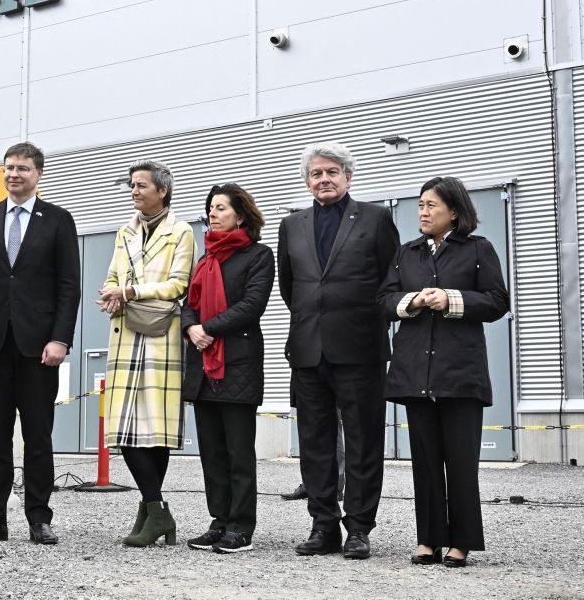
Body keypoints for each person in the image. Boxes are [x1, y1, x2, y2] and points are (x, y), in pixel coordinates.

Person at [378, 177, 508, 568]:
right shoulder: (406, 253)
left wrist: (451, 298)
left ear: (454, 210)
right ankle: (428, 540)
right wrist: (413, 300)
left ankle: (461, 542)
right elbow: (383, 301)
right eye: (420, 204)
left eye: (431, 205)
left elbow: (497, 301)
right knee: (426, 461)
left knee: (461, 462)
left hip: (460, 373)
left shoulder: (478, 250)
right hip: (416, 372)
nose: (423, 211)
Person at [277, 141, 399, 560]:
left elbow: (390, 281)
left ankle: (359, 528)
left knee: (364, 442)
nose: (323, 179)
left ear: (348, 176)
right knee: (315, 443)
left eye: (331, 172)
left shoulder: (376, 218)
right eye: (316, 173)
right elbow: (290, 287)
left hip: (360, 348)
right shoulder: (292, 225)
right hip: (310, 349)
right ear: (307, 181)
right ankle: (322, 525)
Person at [0, 142, 80, 545]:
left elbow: (68, 287)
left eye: (23, 168)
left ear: (38, 174)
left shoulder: (59, 220)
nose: (14, 174)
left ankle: (38, 518)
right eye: (9, 167)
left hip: (39, 347)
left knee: (38, 436)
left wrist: (61, 338)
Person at [98, 160, 195, 547]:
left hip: (162, 333)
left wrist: (132, 292)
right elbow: (112, 276)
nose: (134, 191)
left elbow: (178, 285)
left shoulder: (182, 230)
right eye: (132, 186)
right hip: (125, 331)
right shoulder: (125, 231)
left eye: (141, 185)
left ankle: (151, 512)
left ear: (162, 191)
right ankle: (155, 509)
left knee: (156, 430)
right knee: (125, 429)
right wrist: (110, 293)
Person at [182, 184, 273, 554]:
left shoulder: (258, 255)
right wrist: (191, 327)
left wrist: (208, 328)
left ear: (240, 214)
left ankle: (241, 526)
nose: (213, 213)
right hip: (202, 367)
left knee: (238, 452)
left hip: (237, 364)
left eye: (221, 207)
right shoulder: (205, 259)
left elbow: (253, 305)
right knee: (212, 453)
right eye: (211, 208)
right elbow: (189, 302)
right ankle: (219, 521)